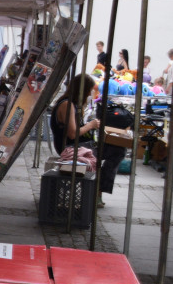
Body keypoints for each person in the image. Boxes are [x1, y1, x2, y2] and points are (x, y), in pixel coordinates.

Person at [49, 74, 125, 207]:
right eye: (90, 90)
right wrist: (90, 125)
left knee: (118, 149)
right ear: (83, 90)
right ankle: (98, 191)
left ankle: (99, 191)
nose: (91, 93)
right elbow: (73, 134)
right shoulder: (67, 105)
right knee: (117, 151)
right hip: (71, 148)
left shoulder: (71, 104)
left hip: (77, 145)